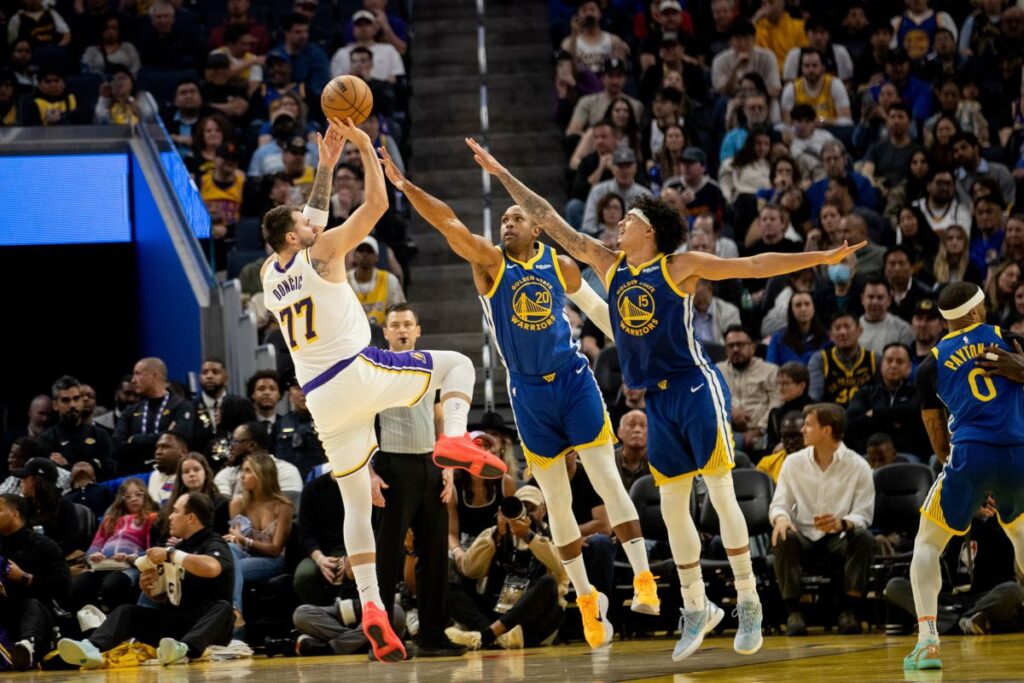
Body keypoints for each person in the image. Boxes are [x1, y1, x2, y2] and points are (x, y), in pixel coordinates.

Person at [465, 137, 864, 661]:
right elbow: (549, 219)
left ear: (648, 230)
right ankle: (697, 605)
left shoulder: (681, 266)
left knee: (720, 493)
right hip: (655, 401)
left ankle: (748, 599)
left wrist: (821, 255)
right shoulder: (607, 265)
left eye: (627, 220)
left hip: (696, 387)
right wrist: (500, 171)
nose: (618, 225)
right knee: (675, 507)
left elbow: (752, 265)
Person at [379, 147, 658, 650]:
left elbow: (596, 308)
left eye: (516, 218)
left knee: (605, 478)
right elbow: (448, 223)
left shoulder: (562, 264)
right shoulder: (489, 264)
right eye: (503, 218)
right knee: (556, 499)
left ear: (537, 228)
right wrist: (406, 187)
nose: (507, 224)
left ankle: (642, 577)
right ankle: (588, 599)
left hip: (573, 378)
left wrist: (632, 341)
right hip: (527, 392)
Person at [260, 118, 505, 662]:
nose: (310, 218)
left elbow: (313, 218)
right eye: (304, 220)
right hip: (355, 371)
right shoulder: (322, 252)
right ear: (298, 236)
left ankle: (373, 607)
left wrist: (325, 163)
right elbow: (372, 209)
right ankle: (458, 439)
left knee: (354, 504)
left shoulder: (269, 273)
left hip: (319, 399)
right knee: (456, 366)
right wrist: (368, 149)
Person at [901, 282, 1024, 670]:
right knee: (1021, 532)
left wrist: (972, 476)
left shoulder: (930, 364)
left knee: (927, 541)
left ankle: (927, 642)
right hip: (1019, 451)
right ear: (977, 311)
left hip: (970, 452)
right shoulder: (1010, 339)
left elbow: (939, 440)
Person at [367, 303, 466, 657]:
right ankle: (382, 638)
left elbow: (441, 418)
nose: (403, 330)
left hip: (431, 465)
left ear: (418, 330)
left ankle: (433, 635)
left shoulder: (431, 365)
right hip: (393, 468)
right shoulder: (375, 368)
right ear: (386, 332)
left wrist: (449, 467)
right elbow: (360, 423)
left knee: (435, 553)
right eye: (396, 325)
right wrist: (370, 473)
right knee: (388, 558)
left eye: (408, 324)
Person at [57, 492, 235, 669]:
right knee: (128, 611)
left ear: (190, 518)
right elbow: (167, 596)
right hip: (177, 624)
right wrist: (152, 590)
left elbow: (212, 568)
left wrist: (170, 553)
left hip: (209, 627)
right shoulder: (181, 546)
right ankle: (91, 648)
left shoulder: (214, 542)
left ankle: (185, 650)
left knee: (224, 608)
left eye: (175, 511)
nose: (170, 517)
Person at [770, 403, 876, 636]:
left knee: (863, 538)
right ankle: (793, 613)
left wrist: (843, 523)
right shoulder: (792, 463)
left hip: (838, 537)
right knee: (782, 535)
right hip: (803, 537)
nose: (803, 430)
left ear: (826, 431)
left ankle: (850, 610)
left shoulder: (859, 466)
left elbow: (864, 514)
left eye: (808, 425)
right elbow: (779, 504)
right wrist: (781, 519)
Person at [445, 486, 568, 651]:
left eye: (532, 509)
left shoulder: (552, 534)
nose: (525, 514)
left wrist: (529, 536)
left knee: (548, 583)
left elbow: (560, 568)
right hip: (497, 609)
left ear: (543, 510)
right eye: (521, 507)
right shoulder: (495, 533)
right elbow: (469, 569)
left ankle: (486, 636)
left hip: (533, 620)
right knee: (446, 585)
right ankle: (494, 635)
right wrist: (496, 536)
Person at [0, 493, 70, 671]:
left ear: (14, 513)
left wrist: (26, 578)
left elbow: (64, 586)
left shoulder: (43, 545)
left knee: (31, 604)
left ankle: (26, 648)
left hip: (40, 618)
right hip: (6, 614)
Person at [71, 478, 157, 612]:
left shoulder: (152, 518)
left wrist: (131, 557)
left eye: (138, 494)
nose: (133, 499)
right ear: (122, 499)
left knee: (112, 585)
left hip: (130, 566)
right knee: (80, 584)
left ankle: (117, 621)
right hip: (103, 565)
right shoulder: (110, 520)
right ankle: (91, 622)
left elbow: (152, 549)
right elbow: (96, 545)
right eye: (128, 496)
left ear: (145, 495)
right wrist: (94, 555)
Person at [113, 357, 195, 476]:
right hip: (136, 477)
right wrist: (165, 434)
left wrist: (134, 439)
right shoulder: (130, 411)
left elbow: (180, 439)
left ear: (154, 375)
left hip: (171, 475)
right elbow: (116, 446)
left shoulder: (182, 406)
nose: (133, 380)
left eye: (137, 374)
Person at [846, 343, 930, 457]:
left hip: (907, 454)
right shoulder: (866, 392)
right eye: (889, 360)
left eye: (899, 361)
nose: (893, 365)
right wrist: (895, 420)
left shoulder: (918, 392)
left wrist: (875, 413)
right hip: (869, 454)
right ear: (881, 364)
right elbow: (852, 421)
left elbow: (913, 414)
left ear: (909, 367)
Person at [717, 326, 781, 453]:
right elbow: (708, 401)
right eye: (731, 346)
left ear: (752, 348)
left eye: (740, 345)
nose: (735, 349)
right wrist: (730, 410)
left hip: (762, 432)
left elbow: (777, 404)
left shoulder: (770, 371)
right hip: (727, 431)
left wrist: (760, 428)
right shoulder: (717, 371)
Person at [41, 375, 115, 480]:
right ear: (55, 405)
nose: (72, 405)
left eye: (76, 398)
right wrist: (93, 464)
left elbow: (110, 470)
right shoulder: (47, 439)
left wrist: (68, 466)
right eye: (66, 400)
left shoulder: (99, 434)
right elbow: (52, 476)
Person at [14, 456, 82, 555]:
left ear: (36, 481)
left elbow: (71, 540)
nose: (21, 482)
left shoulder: (64, 505)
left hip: (57, 559)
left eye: (24, 478)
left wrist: (47, 553)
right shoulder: (24, 506)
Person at [809, 312, 876, 405]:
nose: (843, 332)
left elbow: (880, 397)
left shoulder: (874, 359)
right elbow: (814, 397)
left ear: (859, 331)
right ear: (831, 335)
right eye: (837, 328)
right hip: (831, 416)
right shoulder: (820, 359)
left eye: (847, 327)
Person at [347, 235, 405, 325]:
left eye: (369, 251)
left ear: (377, 257)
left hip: (382, 335)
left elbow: (400, 313)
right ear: (354, 256)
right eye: (361, 250)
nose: (365, 255)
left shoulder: (389, 280)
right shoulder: (344, 282)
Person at [766, 291, 829, 365]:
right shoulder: (778, 338)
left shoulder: (825, 338)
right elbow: (771, 366)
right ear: (791, 310)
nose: (803, 309)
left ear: (813, 308)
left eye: (807, 304)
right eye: (798, 305)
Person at [859, 278, 915, 357]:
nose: (875, 302)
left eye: (880, 297)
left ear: (889, 300)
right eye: (871, 297)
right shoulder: (853, 329)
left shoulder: (902, 329)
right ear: (862, 299)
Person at [758, 410, 805, 483]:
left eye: (796, 436)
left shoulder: (818, 462)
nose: (791, 441)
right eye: (786, 437)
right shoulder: (768, 463)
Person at [615, 410, 649, 492]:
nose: (637, 430)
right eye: (631, 425)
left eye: (643, 425)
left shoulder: (659, 463)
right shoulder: (608, 461)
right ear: (620, 432)